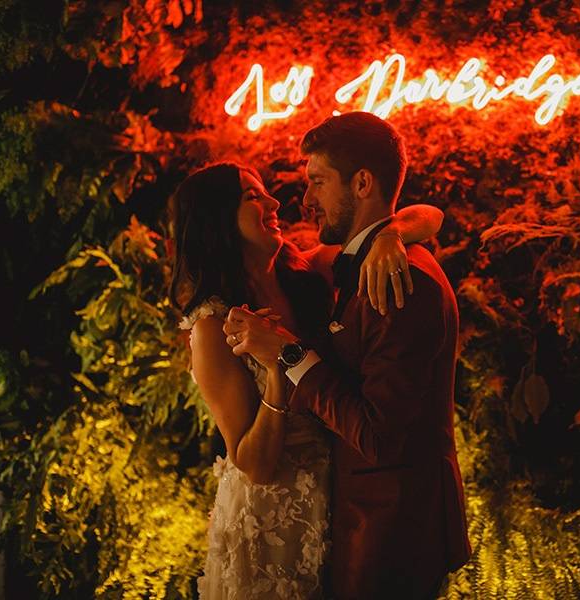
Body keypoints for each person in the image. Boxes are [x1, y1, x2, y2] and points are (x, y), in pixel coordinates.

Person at [167, 161, 443, 599]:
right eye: (252, 196)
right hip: (271, 522)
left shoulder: (309, 272)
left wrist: (391, 236)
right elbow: (254, 465)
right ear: (217, 219)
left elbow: (429, 215)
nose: (274, 202)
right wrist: (276, 368)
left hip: (336, 502)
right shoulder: (212, 329)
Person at [224, 113, 471, 599]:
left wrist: (289, 354)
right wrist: (392, 230)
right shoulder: (347, 263)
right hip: (355, 515)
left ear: (362, 183)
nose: (305, 199)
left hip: (394, 527)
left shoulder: (400, 281)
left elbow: (379, 437)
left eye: (317, 182)